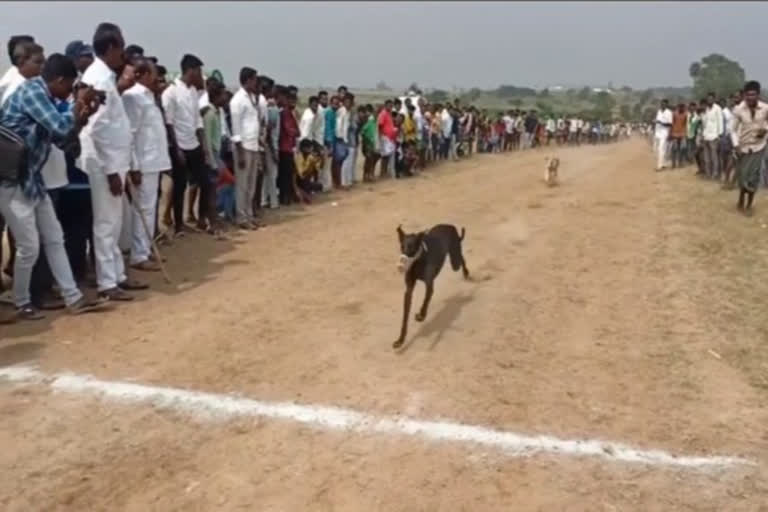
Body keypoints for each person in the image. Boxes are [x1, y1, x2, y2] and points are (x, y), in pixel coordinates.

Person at [0, 53, 108, 318]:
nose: (69, 92)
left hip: (31, 179)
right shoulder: (33, 92)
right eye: (69, 86)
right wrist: (77, 105)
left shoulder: (47, 98)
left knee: (54, 238)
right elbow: (60, 127)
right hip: (10, 181)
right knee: (29, 247)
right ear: (59, 80)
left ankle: (73, 297)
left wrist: (84, 114)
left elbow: (65, 141)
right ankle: (22, 301)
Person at [80, 23, 147, 301]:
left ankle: (117, 275)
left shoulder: (106, 75)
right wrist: (110, 171)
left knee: (117, 223)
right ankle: (107, 281)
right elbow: (97, 128)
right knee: (106, 224)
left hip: (116, 161)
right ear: (110, 48)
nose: (123, 54)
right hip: (104, 164)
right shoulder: (98, 78)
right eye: (121, 46)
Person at [122, 58, 170, 270]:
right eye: (152, 74)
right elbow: (130, 134)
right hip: (143, 163)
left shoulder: (150, 97)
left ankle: (146, 249)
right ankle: (138, 255)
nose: (156, 78)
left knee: (150, 208)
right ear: (141, 75)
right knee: (143, 209)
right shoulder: (133, 97)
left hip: (154, 161)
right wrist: (134, 166)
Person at [228, 66, 262, 229]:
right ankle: (241, 217)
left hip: (254, 145)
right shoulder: (237, 100)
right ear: (248, 80)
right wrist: (240, 151)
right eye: (254, 79)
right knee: (242, 184)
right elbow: (235, 129)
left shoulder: (252, 98)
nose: (256, 83)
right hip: (243, 147)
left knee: (251, 184)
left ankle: (248, 214)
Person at [731, 81, 768, 215]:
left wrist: (765, 130)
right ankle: (741, 198)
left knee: (753, 177)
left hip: (759, 147)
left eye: (753, 95)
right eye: (748, 95)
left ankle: (749, 204)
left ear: (758, 95)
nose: (750, 98)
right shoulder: (739, 110)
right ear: (744, 95)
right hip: (743, 147)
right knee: (743, 177)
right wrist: (736, 145)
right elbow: (733, 130)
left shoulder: (765, 108)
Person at [262, 84, 283, 209]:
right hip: (271, 145)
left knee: (266, 175)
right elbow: (269, 130)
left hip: (267, 144)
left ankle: (264, 200)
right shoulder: (273, 108)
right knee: (272, 174)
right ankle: (273, 202)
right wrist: (273, 151)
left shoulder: (267, 106)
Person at [701, 92, 724, 179]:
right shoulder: (706, 109)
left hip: (714, 136)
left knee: (714, 157)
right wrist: (703, 135)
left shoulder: (717, 109)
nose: (709, 100)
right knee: (706, 158)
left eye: (711, 98)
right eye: (708, 98)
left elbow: (720, 122)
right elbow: (704, 124)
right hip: (706, 136)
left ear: (714, 99)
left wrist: (719, 135)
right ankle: (708, 174)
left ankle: (715, 174)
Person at [378, 100, 396, 178]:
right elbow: (380, 125)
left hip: (390, 138)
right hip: (385, 137)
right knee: (384, 156)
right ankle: (382, 173)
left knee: (388, 155)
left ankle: (385, 172)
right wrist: (382, 135)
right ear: (385, 105)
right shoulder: (383, 113)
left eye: (391, 106)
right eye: (389, 106)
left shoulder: (389, 113)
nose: (390, 107)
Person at [653, 99, 673, 171]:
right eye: (661, 104)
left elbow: (670, 124)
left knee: (661, 149)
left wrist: (660, 122)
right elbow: (657, 121)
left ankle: (659, 166)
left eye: (664, 104)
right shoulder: (659, 111)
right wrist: (655, 122)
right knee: (656, 149)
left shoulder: (669, 113)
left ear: (667, 105)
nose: (662, 105)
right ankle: (664, 163)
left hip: (664, 133)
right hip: (657, 132)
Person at [669, 103, 687, 168]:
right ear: (678, 107)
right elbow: (672, 124)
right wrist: (670, 133)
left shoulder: (685, 114)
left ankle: (680, 162)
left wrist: (685, 133)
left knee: (682, 149)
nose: (681, 109)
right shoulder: (674, 114)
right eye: (680, 107)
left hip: (682, 134)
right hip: (675, 134)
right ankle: (673, 163)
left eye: (683, 107)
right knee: (674, 149)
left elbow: (685, 124)